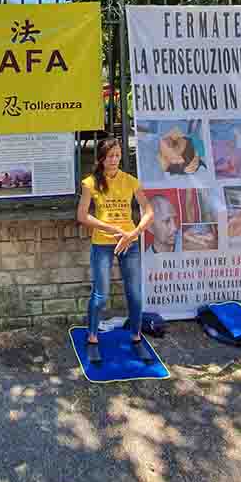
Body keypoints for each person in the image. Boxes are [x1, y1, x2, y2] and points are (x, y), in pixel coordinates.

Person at [77, 138, 154, 363]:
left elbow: (149, 211)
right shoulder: (90, 183)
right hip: (102, 243)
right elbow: (82, 216)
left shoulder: (130, 181)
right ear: (101, 158)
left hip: (129, 242)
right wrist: (110, 228)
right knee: (101, 295)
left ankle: (137, 338)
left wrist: (133, 233)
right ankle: (92, 339)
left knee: (135, 294)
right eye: (110, 156)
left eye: (118, 155)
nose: (114, 160)